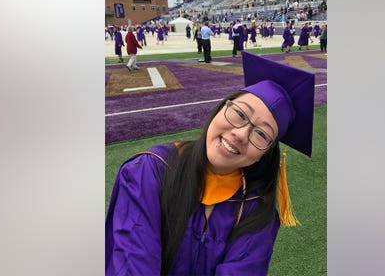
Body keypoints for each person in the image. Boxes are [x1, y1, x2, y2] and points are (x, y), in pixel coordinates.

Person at [105, 52, 315, 275]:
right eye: (240, 114)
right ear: (220, 108)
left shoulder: (256, 211)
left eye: (262, 134)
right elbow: (132, 265)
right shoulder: (149, 172)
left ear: (264, 154)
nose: (241, 134)